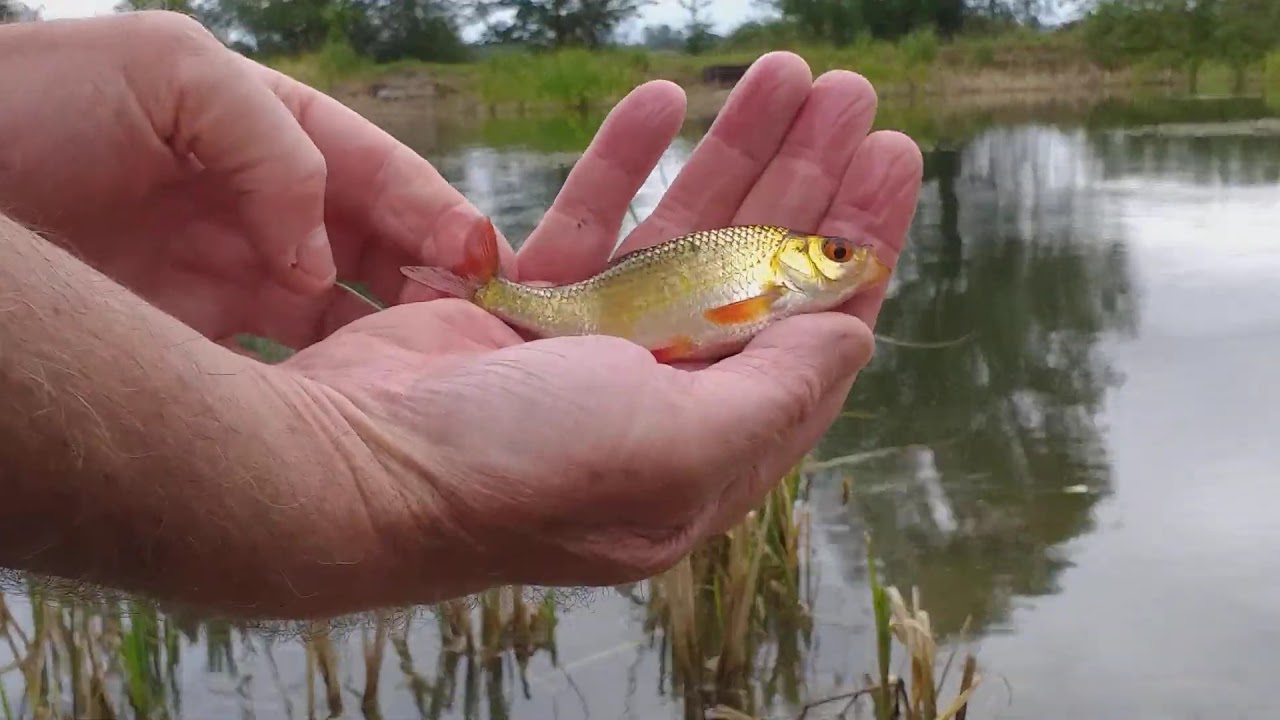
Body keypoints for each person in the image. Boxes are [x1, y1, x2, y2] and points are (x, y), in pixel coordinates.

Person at [0, 11, 923, 620]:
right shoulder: (767, 276)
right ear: (801, 262)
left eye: (840, 256)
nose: (847, 264)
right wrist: (365, 469)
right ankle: (488, 292)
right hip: (600, 304)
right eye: (836, 256)